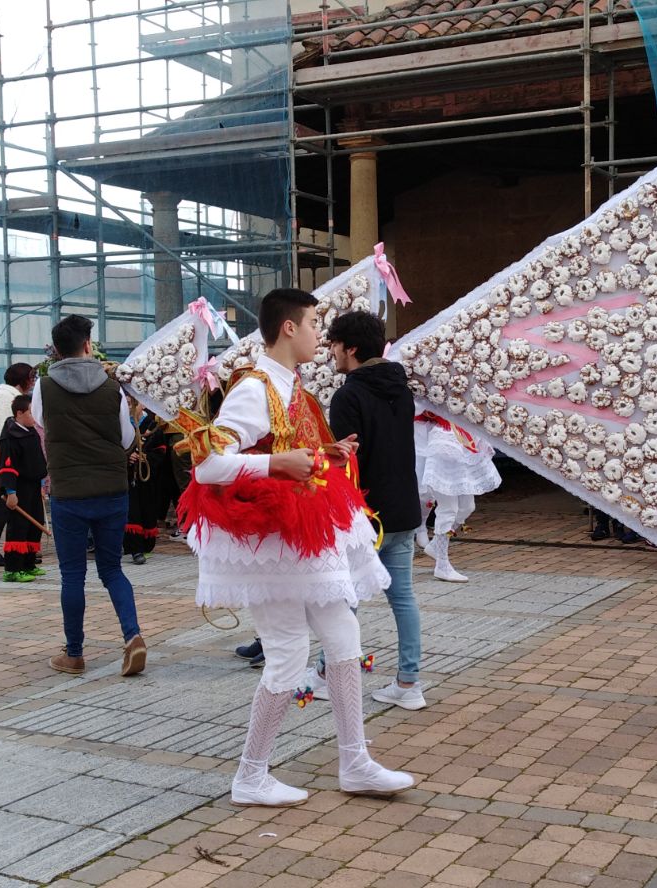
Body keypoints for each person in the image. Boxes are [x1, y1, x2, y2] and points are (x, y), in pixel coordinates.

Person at [177, 288, 413, 806]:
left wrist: (322, 452)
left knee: (343, 630)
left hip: (298, 534)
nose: (318, 335)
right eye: (311, 324)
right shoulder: (256, 387)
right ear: (288, 328)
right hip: (274, 538)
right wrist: (275, 466)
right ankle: (251, 774)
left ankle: (354, 759)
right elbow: (208, 465)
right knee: (287, 651)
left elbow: (280, 443)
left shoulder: (288, 386)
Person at [315, 309, 426, 710]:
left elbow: (344, 462)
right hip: (405, 508)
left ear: (352, 348)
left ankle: (328, 673)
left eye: (334, 343)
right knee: (403, 598)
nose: (330, 350)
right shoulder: (402, 387)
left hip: (367, 515)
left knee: (345, 596)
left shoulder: (349, 394)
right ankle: (410, 683)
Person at [34, 314, 146, 677]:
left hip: (69, 491)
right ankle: (133, 637)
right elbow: (127, 439)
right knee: (113, 570)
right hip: (112, 488)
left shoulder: (44, 386)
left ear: (56, 351)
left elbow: (41, 423)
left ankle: (75, 653)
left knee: (72, 575)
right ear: (88, 346)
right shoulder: (112, 387)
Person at [412, 411, 501, 583]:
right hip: (440, 439)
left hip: (462, 435)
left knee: (468, 506)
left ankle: (435, 546)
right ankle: (442, 565)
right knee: (448, 508)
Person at [0, 363, 37, 567]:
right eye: (30, 377)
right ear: (20, 378)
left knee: (10, 509)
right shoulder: (3, 397)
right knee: (3, 508)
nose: (33, 381)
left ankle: (16, 549)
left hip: (17, 460)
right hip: (5, 461)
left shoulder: (14, 397)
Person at [0, 394, 47, 583]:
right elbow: (7, 467)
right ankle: (13, 568)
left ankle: (29, 563)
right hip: (18, 487)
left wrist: (41, 483)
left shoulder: (30, 431)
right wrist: (10, 492)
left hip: (33, 485)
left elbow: (37, 460)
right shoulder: (10, 437)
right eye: (32, 412)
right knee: (19, 527)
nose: (35, 416)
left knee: (34, 524)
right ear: (19, 413)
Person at [124, 404, 172, 565]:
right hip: (128, 478)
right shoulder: (123, 426)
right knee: (131, 511)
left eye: (133, 404)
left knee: (147, 509)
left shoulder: (152, 426)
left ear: (141, 405)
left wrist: (145, 458)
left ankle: (145, 544)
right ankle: (134, 547)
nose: (130, 408)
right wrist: (128, 457)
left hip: (148, 480)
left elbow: (160, 453)